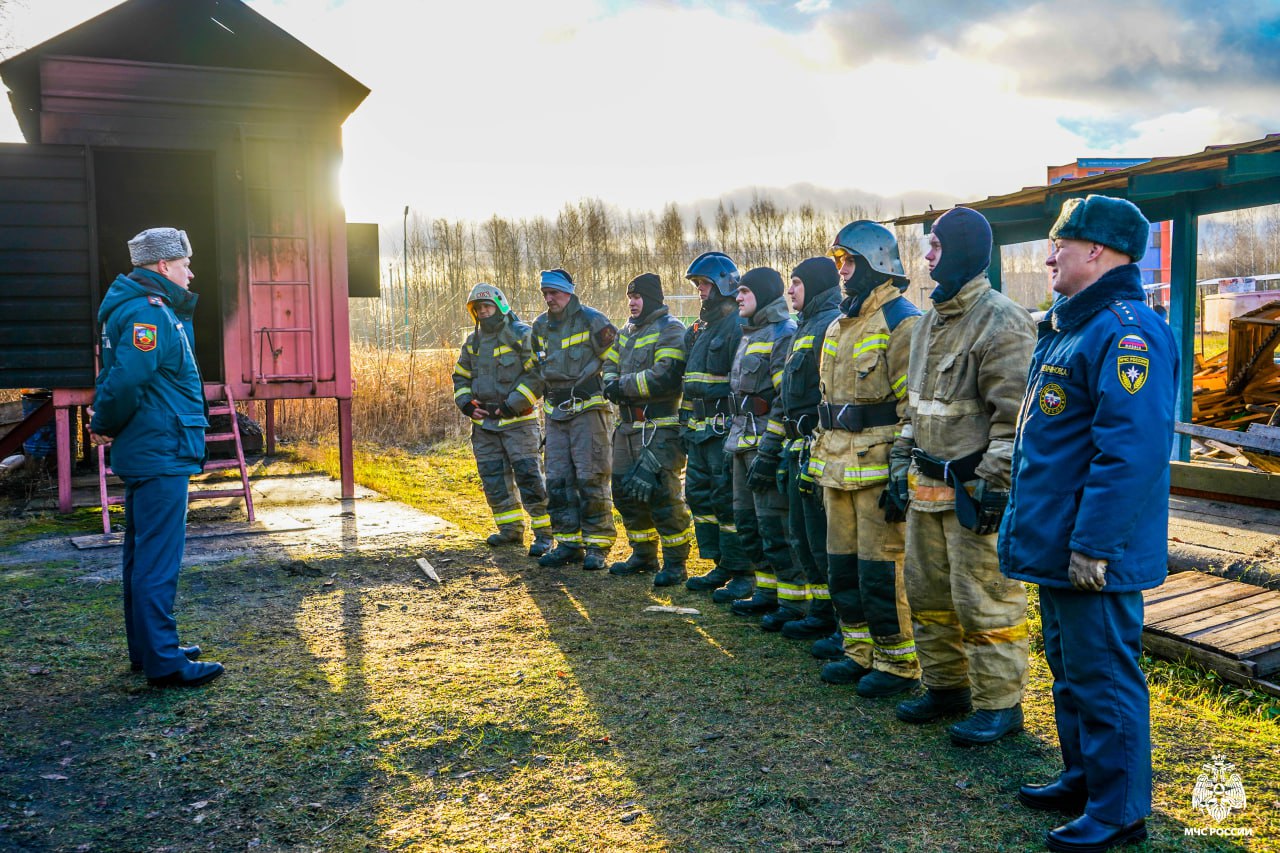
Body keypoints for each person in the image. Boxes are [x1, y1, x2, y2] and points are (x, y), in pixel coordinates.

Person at [1001, 195, 1174, 853]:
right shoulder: (1073, 326)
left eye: (1059, 245)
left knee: (1103, 674)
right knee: (1071, 670)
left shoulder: (1127, 331)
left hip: (1090, 551)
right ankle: (1083, 777)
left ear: (1097, 251)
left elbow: (1130, 451)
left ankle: (1119, 809)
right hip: (1059, 545)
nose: (1048, 257)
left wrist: (1094, 544)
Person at [892, 208, 1036, 746]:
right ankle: (945, 687)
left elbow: (1015, 419)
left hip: (974, 494)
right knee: (927, 595)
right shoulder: (930, 321)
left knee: (985, 600)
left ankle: (999, 704)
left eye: (935, 246)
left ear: (964, 251)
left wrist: (993, 487)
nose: (927, 257)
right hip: (925, 490)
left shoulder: (1003, 320)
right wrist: (899, 461)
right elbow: (915, 405)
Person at [89, 228, 223, 688]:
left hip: (151, 445)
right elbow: (126, 380)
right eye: (185, 263)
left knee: (140, 553)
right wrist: (102, 422)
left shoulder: (140, 309)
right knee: (158, 559)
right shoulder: (151, 315)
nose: (192, 272)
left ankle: (149, 649)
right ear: (163, 266)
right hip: (160, 448)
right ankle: (164, 661)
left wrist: (105, 420)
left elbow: (123, 377)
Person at [807, 221, 922, 697]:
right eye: (838, 262)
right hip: (834, 467)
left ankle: (896, 664)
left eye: (848, 261)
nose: (842, 271)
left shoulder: (903, 322)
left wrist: (902, 470)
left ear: (878, 262)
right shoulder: (838, 323)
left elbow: (911, 408)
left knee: (880, 571)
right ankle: (859, 651)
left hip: (877, 473)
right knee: (842, 567)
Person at [768, 257, 843, 637]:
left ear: (813, 285)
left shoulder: (829, 324)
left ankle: (836, 617)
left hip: (820, 444)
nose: (790, 290)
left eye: (796, 282)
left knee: (821, 533)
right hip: (797, 445)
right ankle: (820, 609)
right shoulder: (803, 327)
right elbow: (786, 394)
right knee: (802, 530)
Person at [603, 274, 693, 585]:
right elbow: (609, 366)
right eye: (629, 296)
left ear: (652, 299)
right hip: (626, 427)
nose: (632, 302)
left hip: (660, 427)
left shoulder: (671, 329)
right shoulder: (625, 332)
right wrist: (611, 383)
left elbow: (664, 376)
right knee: (625, 492)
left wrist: (621, 386)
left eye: (638, 296)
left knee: (661, 495)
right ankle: (643, 554)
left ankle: (676, 563)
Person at [452, 283, 552, 556]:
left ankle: (544, 534)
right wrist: (466, 404)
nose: (484, 312)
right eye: (478, 309)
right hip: (485, 426)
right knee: (493, 479)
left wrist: (512, 404)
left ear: (501, 306)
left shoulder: (521, 335)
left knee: (530, 478)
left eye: (488, 307)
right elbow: (460, 377)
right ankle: (510, 530)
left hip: (518, 423)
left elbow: (537, 375)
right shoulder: (472, 343)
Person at [722, 267, 797, 619]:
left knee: (774, 524)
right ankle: (765, 590)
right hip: (740, 442)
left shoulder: (784, 334)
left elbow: (785, 398)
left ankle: (794, 601)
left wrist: (770, 449)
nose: (738, 297)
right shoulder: (748, 334)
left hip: (764, 443)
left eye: (745, 291)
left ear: (764, 294)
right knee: (748, 523)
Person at [532, 269, 618, 571]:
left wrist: (602, 382)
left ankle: (597, 545)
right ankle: (568, 543)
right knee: (557, 480)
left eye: (554, 292)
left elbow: (615, 356)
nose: (549, 298)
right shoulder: (540, 326)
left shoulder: (592, 319)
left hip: (588, 411)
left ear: (568, 292)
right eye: (545, 293)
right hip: (555, 414)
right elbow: (536, 367)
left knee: (591, 477)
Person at [680, 253, 752, 598]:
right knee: (699, 496)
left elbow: (742, 383)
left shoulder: (737, 326)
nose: (700, 291)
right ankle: (719, 562)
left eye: (704, 284)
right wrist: (684, 421)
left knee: (726, 501)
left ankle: (742, 572)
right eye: (697, 285)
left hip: (723, 431)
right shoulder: (699, 330)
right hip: (697, 431)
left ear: (724, 285)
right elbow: (689, 383)